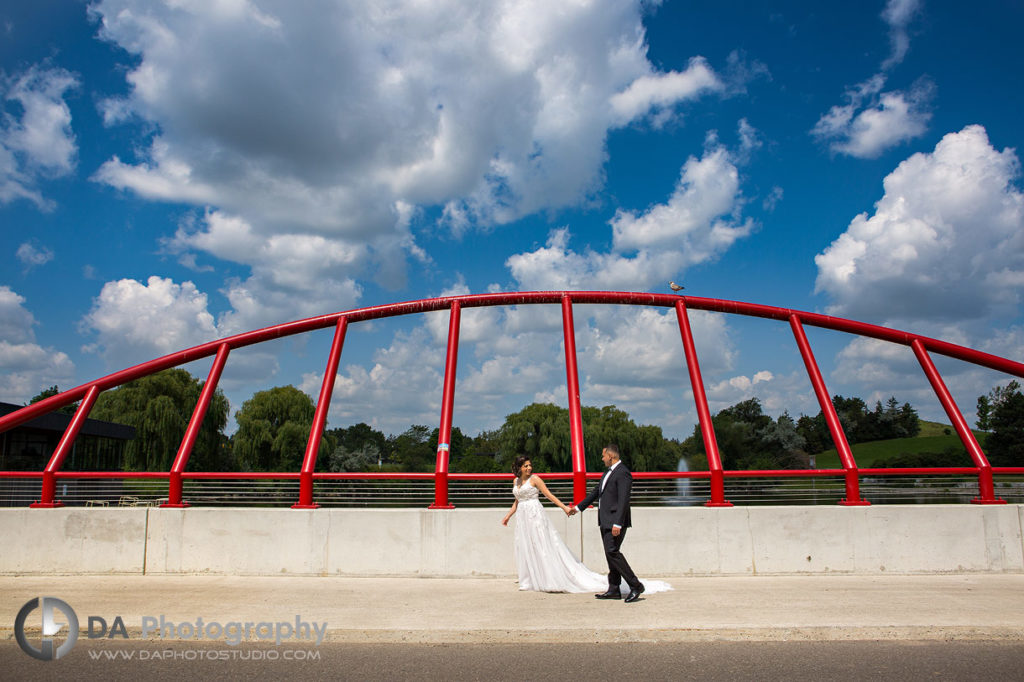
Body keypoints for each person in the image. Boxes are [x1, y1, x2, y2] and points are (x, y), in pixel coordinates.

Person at [502, 454, 670, 598]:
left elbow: (549, 495)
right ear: (518, 468)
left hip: (534, 515)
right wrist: (508, 516)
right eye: (526, 466)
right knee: (526, 546)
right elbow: (517, 501)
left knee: (542, 545)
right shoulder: (515, 481)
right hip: (523, 518)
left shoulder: (535, 479)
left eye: (530, 465)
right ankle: (531, 577)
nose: (529, 468)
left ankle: (548, 577)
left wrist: (566, 508)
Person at [572, 444, 665, 603]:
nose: (602, 459)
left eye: (603, 456)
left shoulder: (623, 473)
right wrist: (578, 508)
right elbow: (596, 492)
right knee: (610, 554)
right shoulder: (608, 472)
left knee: (612, 552)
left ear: (611, 456)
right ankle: (614, 589)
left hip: (615, 521)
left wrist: (618, 523)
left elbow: (623, 500)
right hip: (605, 520)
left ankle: (635, 585)